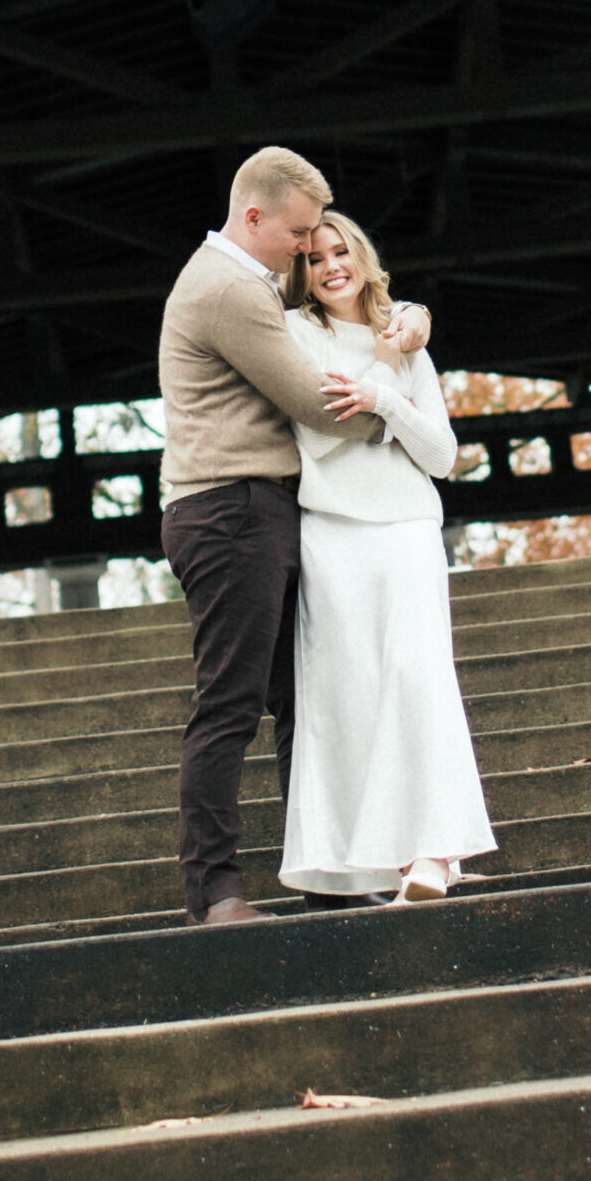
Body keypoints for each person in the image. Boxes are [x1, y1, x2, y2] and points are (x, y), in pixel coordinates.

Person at [157, 148, 430, 927]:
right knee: (232, 705)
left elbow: (338, 306)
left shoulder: (250, 278)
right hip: (230, 509)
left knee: (302, 701)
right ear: (254, 218)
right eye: (300, 232)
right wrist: (401, 407)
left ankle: (332, 877)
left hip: (263, 509)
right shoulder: (224, 290)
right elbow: (316, 400)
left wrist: (407, 314)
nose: (309, 248)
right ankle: (214, 894)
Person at [279, 211, 496, 906]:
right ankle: (374, 860)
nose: (332, 265)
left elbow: (441, 455)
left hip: (405, 526)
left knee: (418, 677)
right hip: (333, 532)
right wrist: (386, 383)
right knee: (350, 695)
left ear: (364, 258)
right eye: (315, 259)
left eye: (343, 251)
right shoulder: (293, 335)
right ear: (302, 274)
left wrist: (385, 399)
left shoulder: (404, 337)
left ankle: (433, 853)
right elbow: (318, 440)